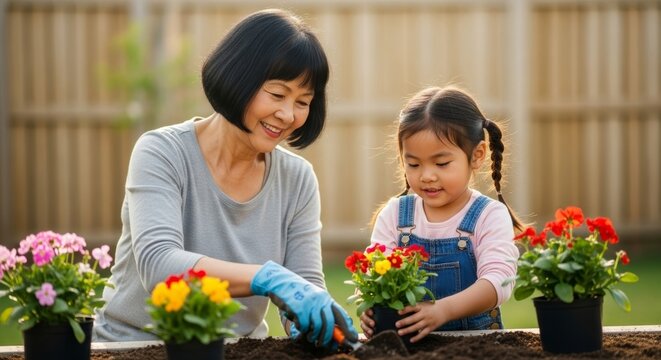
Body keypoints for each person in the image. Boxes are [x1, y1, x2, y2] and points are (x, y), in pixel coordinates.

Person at [94, 9, 358, 349]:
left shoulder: (297, 179)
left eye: (303, 102)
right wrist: (267, 278)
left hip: (236, 350)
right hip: (134, 347)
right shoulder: (161, 152)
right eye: (277, 95)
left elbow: (304, 282)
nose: (288, 115)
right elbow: (158, 264)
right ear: (238, 78)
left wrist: (310, 318)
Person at [359, 86, 524, 343]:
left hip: (476, 346)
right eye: (413, 164)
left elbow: (499, 281)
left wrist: (443, 311)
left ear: (477, 155)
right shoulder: (394, 215)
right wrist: (369, 306)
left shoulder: (488, 215)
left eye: (442, 163)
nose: (426, 175)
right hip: (408, 347)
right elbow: (374, 276)